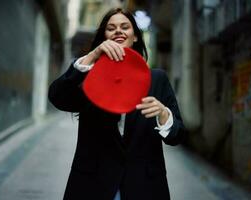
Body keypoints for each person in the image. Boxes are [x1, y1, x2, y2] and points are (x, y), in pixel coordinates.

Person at [48, 7, 186, 200]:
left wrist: (164, 114)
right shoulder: (89, 74)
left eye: (125, 27)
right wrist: (91, 57)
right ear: (104, 37)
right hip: (93, 183)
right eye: (111, 28)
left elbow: (177, 136)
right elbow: (57, 97)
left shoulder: (157, 79)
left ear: (135, 36)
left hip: (143, 185)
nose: (118, 31)